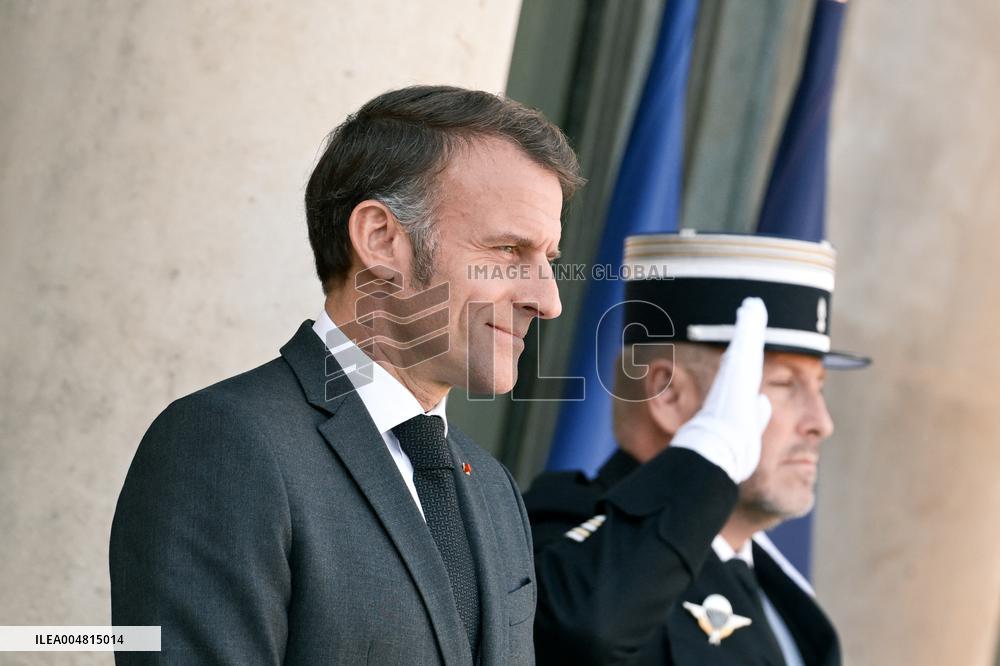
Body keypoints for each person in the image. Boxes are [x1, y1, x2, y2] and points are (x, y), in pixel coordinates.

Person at [110, 85, 583, 664]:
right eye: (509, 250)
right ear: (382, 239)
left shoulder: (493, 489)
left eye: (549, 261)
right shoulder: (225, 444)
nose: (547, 299)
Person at [526, 232, 869, 665]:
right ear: (669, 397)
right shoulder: (570, 545)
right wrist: (712, 453)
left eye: (819, 388)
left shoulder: (774, 588)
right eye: (783, 385)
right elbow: (585, 630)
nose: (822, 422)